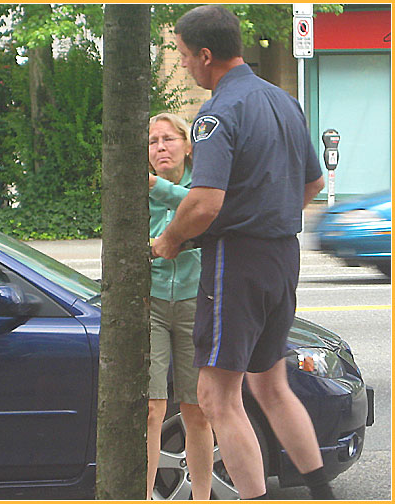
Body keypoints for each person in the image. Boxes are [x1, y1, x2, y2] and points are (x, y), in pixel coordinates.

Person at [152, 6, 333, 501]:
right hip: (282, 257)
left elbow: (205, 203)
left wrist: (169, 241)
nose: (186, 66)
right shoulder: (284, 102)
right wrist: (269, 214)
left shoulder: (217, 114)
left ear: (206, 55)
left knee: (215, 395)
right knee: (271, 386)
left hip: (237, 262)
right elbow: (314, 182)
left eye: (186, 57)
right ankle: (322, 493)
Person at [147, 112, 214, 500]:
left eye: (168, 140)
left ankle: (201, 497)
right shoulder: (139, 191)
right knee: (153, 409)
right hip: (153, 303)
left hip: (193, 303)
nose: (160, 148)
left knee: (196, 410)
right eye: (153, 142)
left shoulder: (200, 186)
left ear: (187, 147)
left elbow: (202, 209)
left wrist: (158, 188)